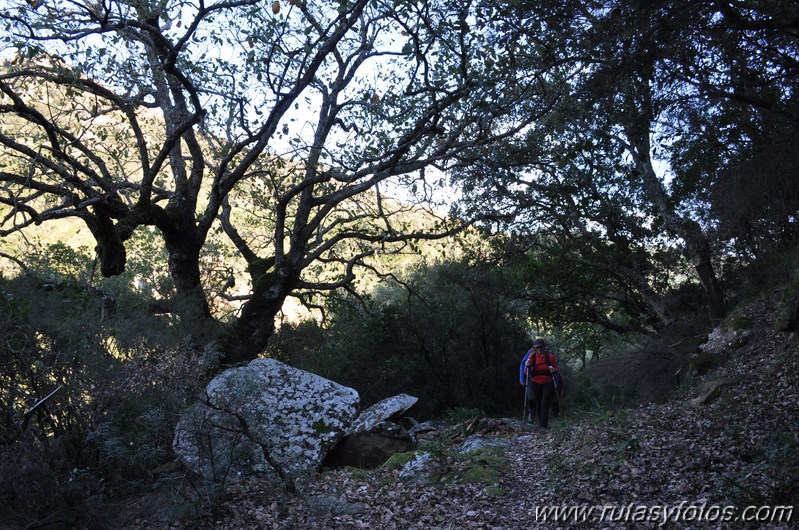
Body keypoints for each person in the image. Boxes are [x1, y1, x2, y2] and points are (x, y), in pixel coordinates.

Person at [520, 337, 560, 429]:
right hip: (535, 382)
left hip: (548, 381)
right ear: (535, 348)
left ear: (544, 347)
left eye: (540, 347)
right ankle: (540, 423)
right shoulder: (532, 356)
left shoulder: (550, 356)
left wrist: (553, 370)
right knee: (538, 403)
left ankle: (543, 426)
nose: (539, 349)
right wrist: (527, 366)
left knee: (545, 402)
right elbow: (526, 372)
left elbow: (556, 369)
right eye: (537, 347)